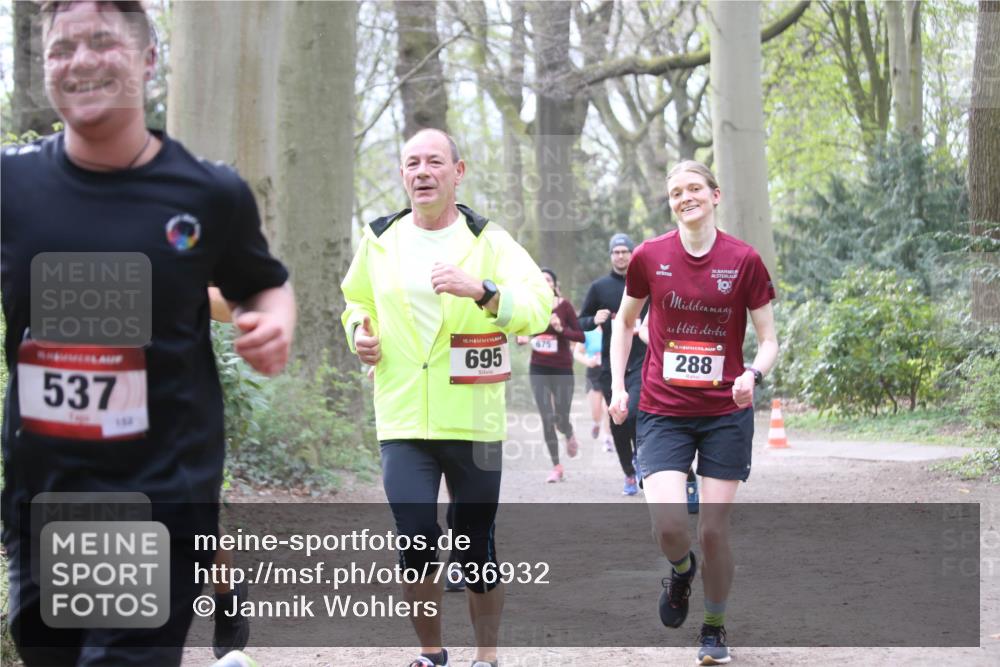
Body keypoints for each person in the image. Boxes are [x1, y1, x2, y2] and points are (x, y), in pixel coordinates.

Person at [0, 2, 295, 664]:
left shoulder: (208, 193)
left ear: (148, 59)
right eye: (60, 49)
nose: (79, 61)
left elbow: (264, 280)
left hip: (161, 489)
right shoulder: (10, 188)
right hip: (41, 498)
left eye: (102, 42)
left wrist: (273, 322)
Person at [341, 128, 550, 667]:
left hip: (474, 416)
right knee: (414, 540)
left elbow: (539, 304)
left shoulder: (489, 241)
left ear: (458, 172)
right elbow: (356, 300)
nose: (422, 172)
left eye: (434, 161)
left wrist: (483, 291)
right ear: (403, 174)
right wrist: (360, 332)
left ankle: (487, 656)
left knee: (474, 544)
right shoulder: (379, 238)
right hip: (402, 415)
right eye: (412, 163)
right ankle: (432, 654)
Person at [608, 160, 778, 666]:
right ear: (671, 203)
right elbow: (624, 322)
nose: (686, 197)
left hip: (726, 410)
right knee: (669, 526)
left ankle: (714, 627)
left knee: (713, 530)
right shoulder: (649, 256)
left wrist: (753, 375)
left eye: (695, 188)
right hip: (662, 408)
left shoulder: (743, 260)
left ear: (715, 195)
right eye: (677, 191)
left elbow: (768, 339)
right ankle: (682, 572)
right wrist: (619, 386)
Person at [578, 233, 648, 496]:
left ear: (632, 254)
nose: (620, 256)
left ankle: (641, 459)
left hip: (641, 361)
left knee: (636, 413)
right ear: (611, 256)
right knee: (618, 420)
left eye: (624, 251)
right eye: (615, 252)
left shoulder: (646, 283)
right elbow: (581, 320)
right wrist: (593, 319)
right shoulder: (600, 288)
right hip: (612, 365)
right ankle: (629, 473)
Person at [516, 268, 584, 483]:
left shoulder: (564, 306)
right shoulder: (532, 307)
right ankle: (557, 466)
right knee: (547, 418)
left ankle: (568, 431)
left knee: (561, 418)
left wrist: (561, 328)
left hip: (562, 369)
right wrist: (523, 338)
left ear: (554, 284)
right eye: (541, 280)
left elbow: (580, 335)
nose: (544, 283)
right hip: (539, 369)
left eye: (548, 280)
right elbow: (520, 329)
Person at [572, 329, 613, 453]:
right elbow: (577, 353)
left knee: (607, 408)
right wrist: (588, 361)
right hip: (593, 374)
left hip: (609, 373)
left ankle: (607, 439)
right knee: (596, 412)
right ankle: (596, 423)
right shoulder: (588, 333)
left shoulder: (613, 330)